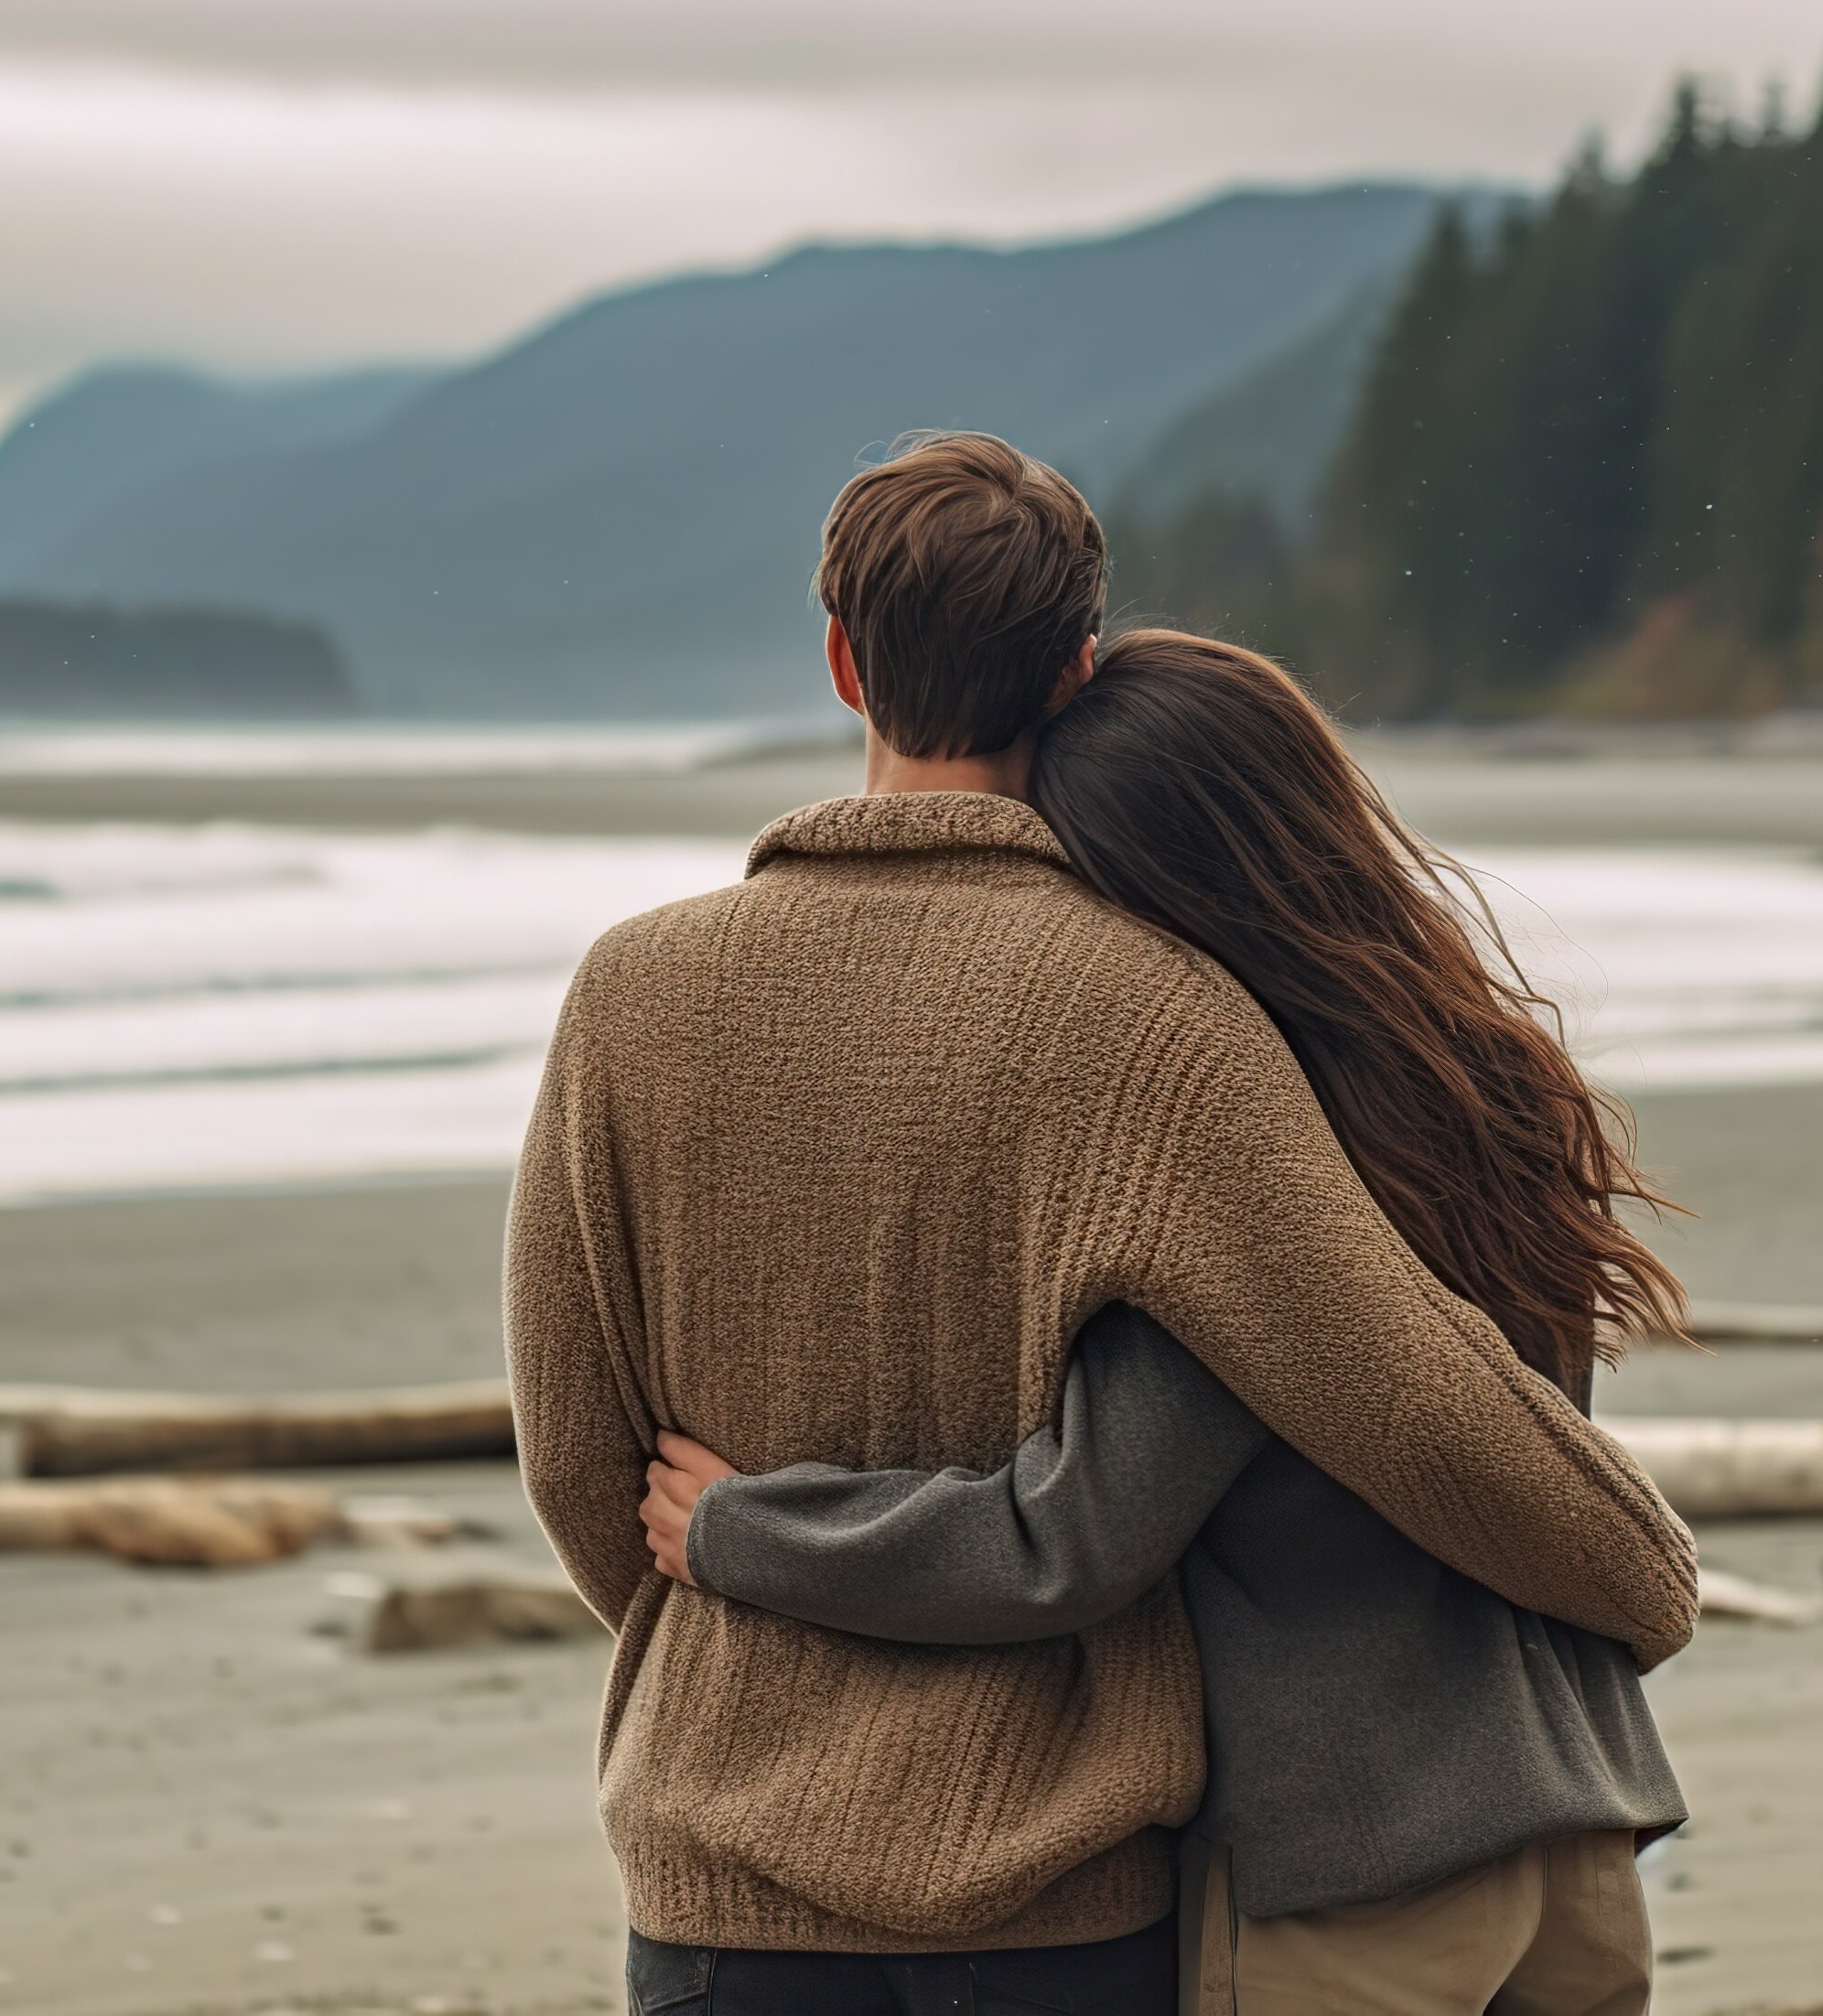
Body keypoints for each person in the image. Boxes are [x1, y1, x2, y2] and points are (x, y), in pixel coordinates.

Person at [505, 435, 1699, 2016]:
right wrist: (1636, 1571)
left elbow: (582, 1462)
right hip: (1057, 1889)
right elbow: (1398, 1385)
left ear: (842, 660)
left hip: (722, 1870)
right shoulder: (1158, 1014)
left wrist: (747, 1639)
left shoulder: (630, 994)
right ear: (1075, 669)